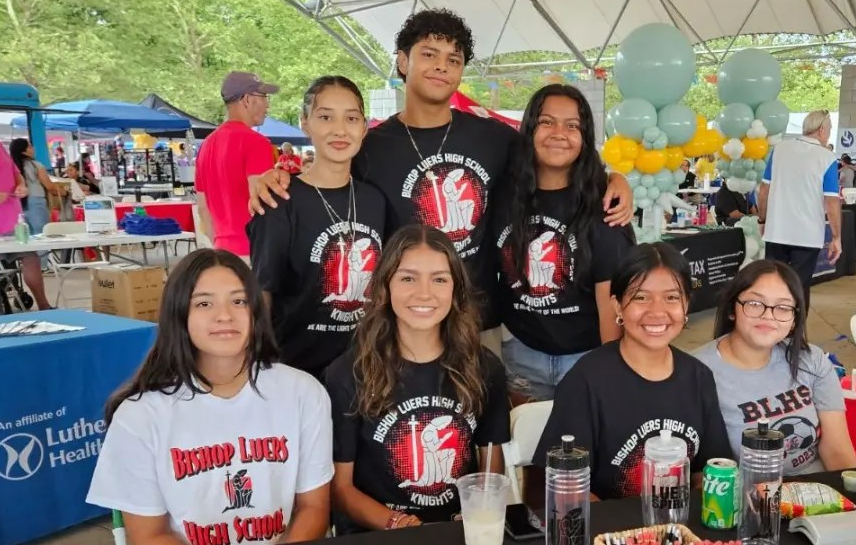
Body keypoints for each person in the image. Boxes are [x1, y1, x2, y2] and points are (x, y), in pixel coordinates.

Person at [249, 9, 633, 354]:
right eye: (428, 54)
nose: (441, 67)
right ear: (402, 61)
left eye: (453, 59)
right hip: (404, 325)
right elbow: (330, 175)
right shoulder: (370, 147)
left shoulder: (494, 138)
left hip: (479, 322)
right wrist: (280, 176)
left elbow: (556, 155)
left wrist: (613, 178)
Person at [86, 249, 333, 544]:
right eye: (204, 303)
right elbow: (149, 535)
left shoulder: (304, 393)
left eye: (238, 301)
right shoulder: (139, 416)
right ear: (179, 314)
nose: (225, 315)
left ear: (256, 312)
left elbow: (314, 508)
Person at [325, 225, 509, 532]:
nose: (424, 293)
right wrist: (396, 523)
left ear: (455, 289)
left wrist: (481, 507)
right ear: (385, 287)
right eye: (408, 278)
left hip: (454, 530)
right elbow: (340, 490)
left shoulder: (485, 368)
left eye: (439, 279)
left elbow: (490, 462)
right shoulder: (346, 374)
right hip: (378, 532)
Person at [528, 243, 733, 501]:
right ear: (617, 306)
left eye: (671, 297)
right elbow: (565, 486)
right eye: (640, 297)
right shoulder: (586, 380)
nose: (657, 311)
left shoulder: (699, 376)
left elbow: (710, 471)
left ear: (686, 306)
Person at [493, 84, 635, 402]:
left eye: (573, 125)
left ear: (584, 138)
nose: (559, 133)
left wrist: (609, 368)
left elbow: (609, 299)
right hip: (521, 353)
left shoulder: (604, 203)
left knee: (584, 448)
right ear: (529, 130)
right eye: (546, 122)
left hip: (585, 357)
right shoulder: (503, 194)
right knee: (526, 444)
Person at [248, 76, 389, 381]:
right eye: (325, 117)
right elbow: (263, 293)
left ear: (364, 127)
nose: (340, 129)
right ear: (305, 123)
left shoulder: (375, 200)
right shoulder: (279, 201)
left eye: (351, 118)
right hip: (296, 371)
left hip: (363, 372)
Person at [693, 260, 856, 475]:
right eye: (755, 303)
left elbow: (837, 451)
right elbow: (702, 474)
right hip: (748, 499)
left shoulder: (811, 360)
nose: (768, 315)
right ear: (732, 309)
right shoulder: (697, 372)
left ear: (795, 319)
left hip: (819, 493)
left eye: (782, 307)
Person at [758, 110, 842, 307]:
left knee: (773, 284)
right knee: (798, 288)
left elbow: (763, 191)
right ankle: (795, 333)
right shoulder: (827, 158)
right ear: (821, 130)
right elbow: (831, 201)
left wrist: (762, 219)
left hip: (777, 230)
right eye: (829, 129)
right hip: (807, 233)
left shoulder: (779, 149)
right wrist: (836, 237)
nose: (828, 134)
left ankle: (772, 329)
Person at [196, 71, 281, 262]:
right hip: (253, 251)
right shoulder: (256, 142)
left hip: (221, 251)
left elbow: (202, 207)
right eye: (264, 97)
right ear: (247, 100)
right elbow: (262, 204)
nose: (267, 104)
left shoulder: (207, 145)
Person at [0, 104, 52, 311]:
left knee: (31, 258)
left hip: (13, 218)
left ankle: (44, 305)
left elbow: (14, 171)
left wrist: (21, 185)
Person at [10, 138, 65, 237]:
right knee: (41, 235)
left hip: (16, 205)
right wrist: (66, 192)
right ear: (24, 151)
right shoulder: (36, 165)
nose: (33, 148)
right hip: (36, 202)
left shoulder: (10, 167)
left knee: (25, 236)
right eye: (30, 146)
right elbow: (50, 186)